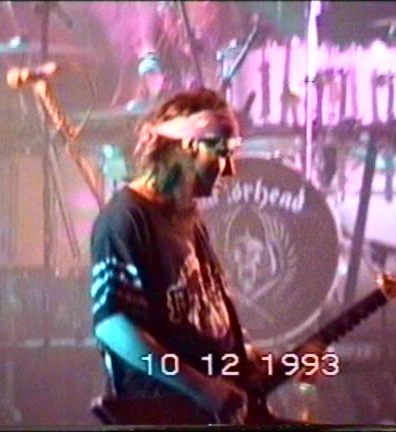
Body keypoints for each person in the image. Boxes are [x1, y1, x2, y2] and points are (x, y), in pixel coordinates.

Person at [88, 88, 323, 425]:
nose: (229, 170)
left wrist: (254, 360)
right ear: (188, 146)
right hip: (167, 413)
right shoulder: (126, 217)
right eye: (222, 153)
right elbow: (113, 326)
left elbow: (200, 322)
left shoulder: (188, 219)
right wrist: (200, 388)